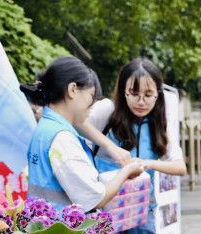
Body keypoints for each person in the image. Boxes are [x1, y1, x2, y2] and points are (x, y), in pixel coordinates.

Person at [84, 58, 186, 234]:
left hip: (142, 208)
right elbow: (76, 122)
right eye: (134, 93)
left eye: (148, 95)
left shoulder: (160, 122)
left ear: (158, 94)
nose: (141, 101)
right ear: (123, 91)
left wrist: (145, 164)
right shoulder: (107, 112)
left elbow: (180, 167)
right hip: (106, 209)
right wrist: (109, 146)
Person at [22, 57, 146, 213]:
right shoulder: (62, 138)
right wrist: (128, 170)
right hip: (60, 231)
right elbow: (96, 199)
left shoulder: (45, 127)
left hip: (45, 227)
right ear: (72, 90)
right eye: (91, 95)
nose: (92, 105)